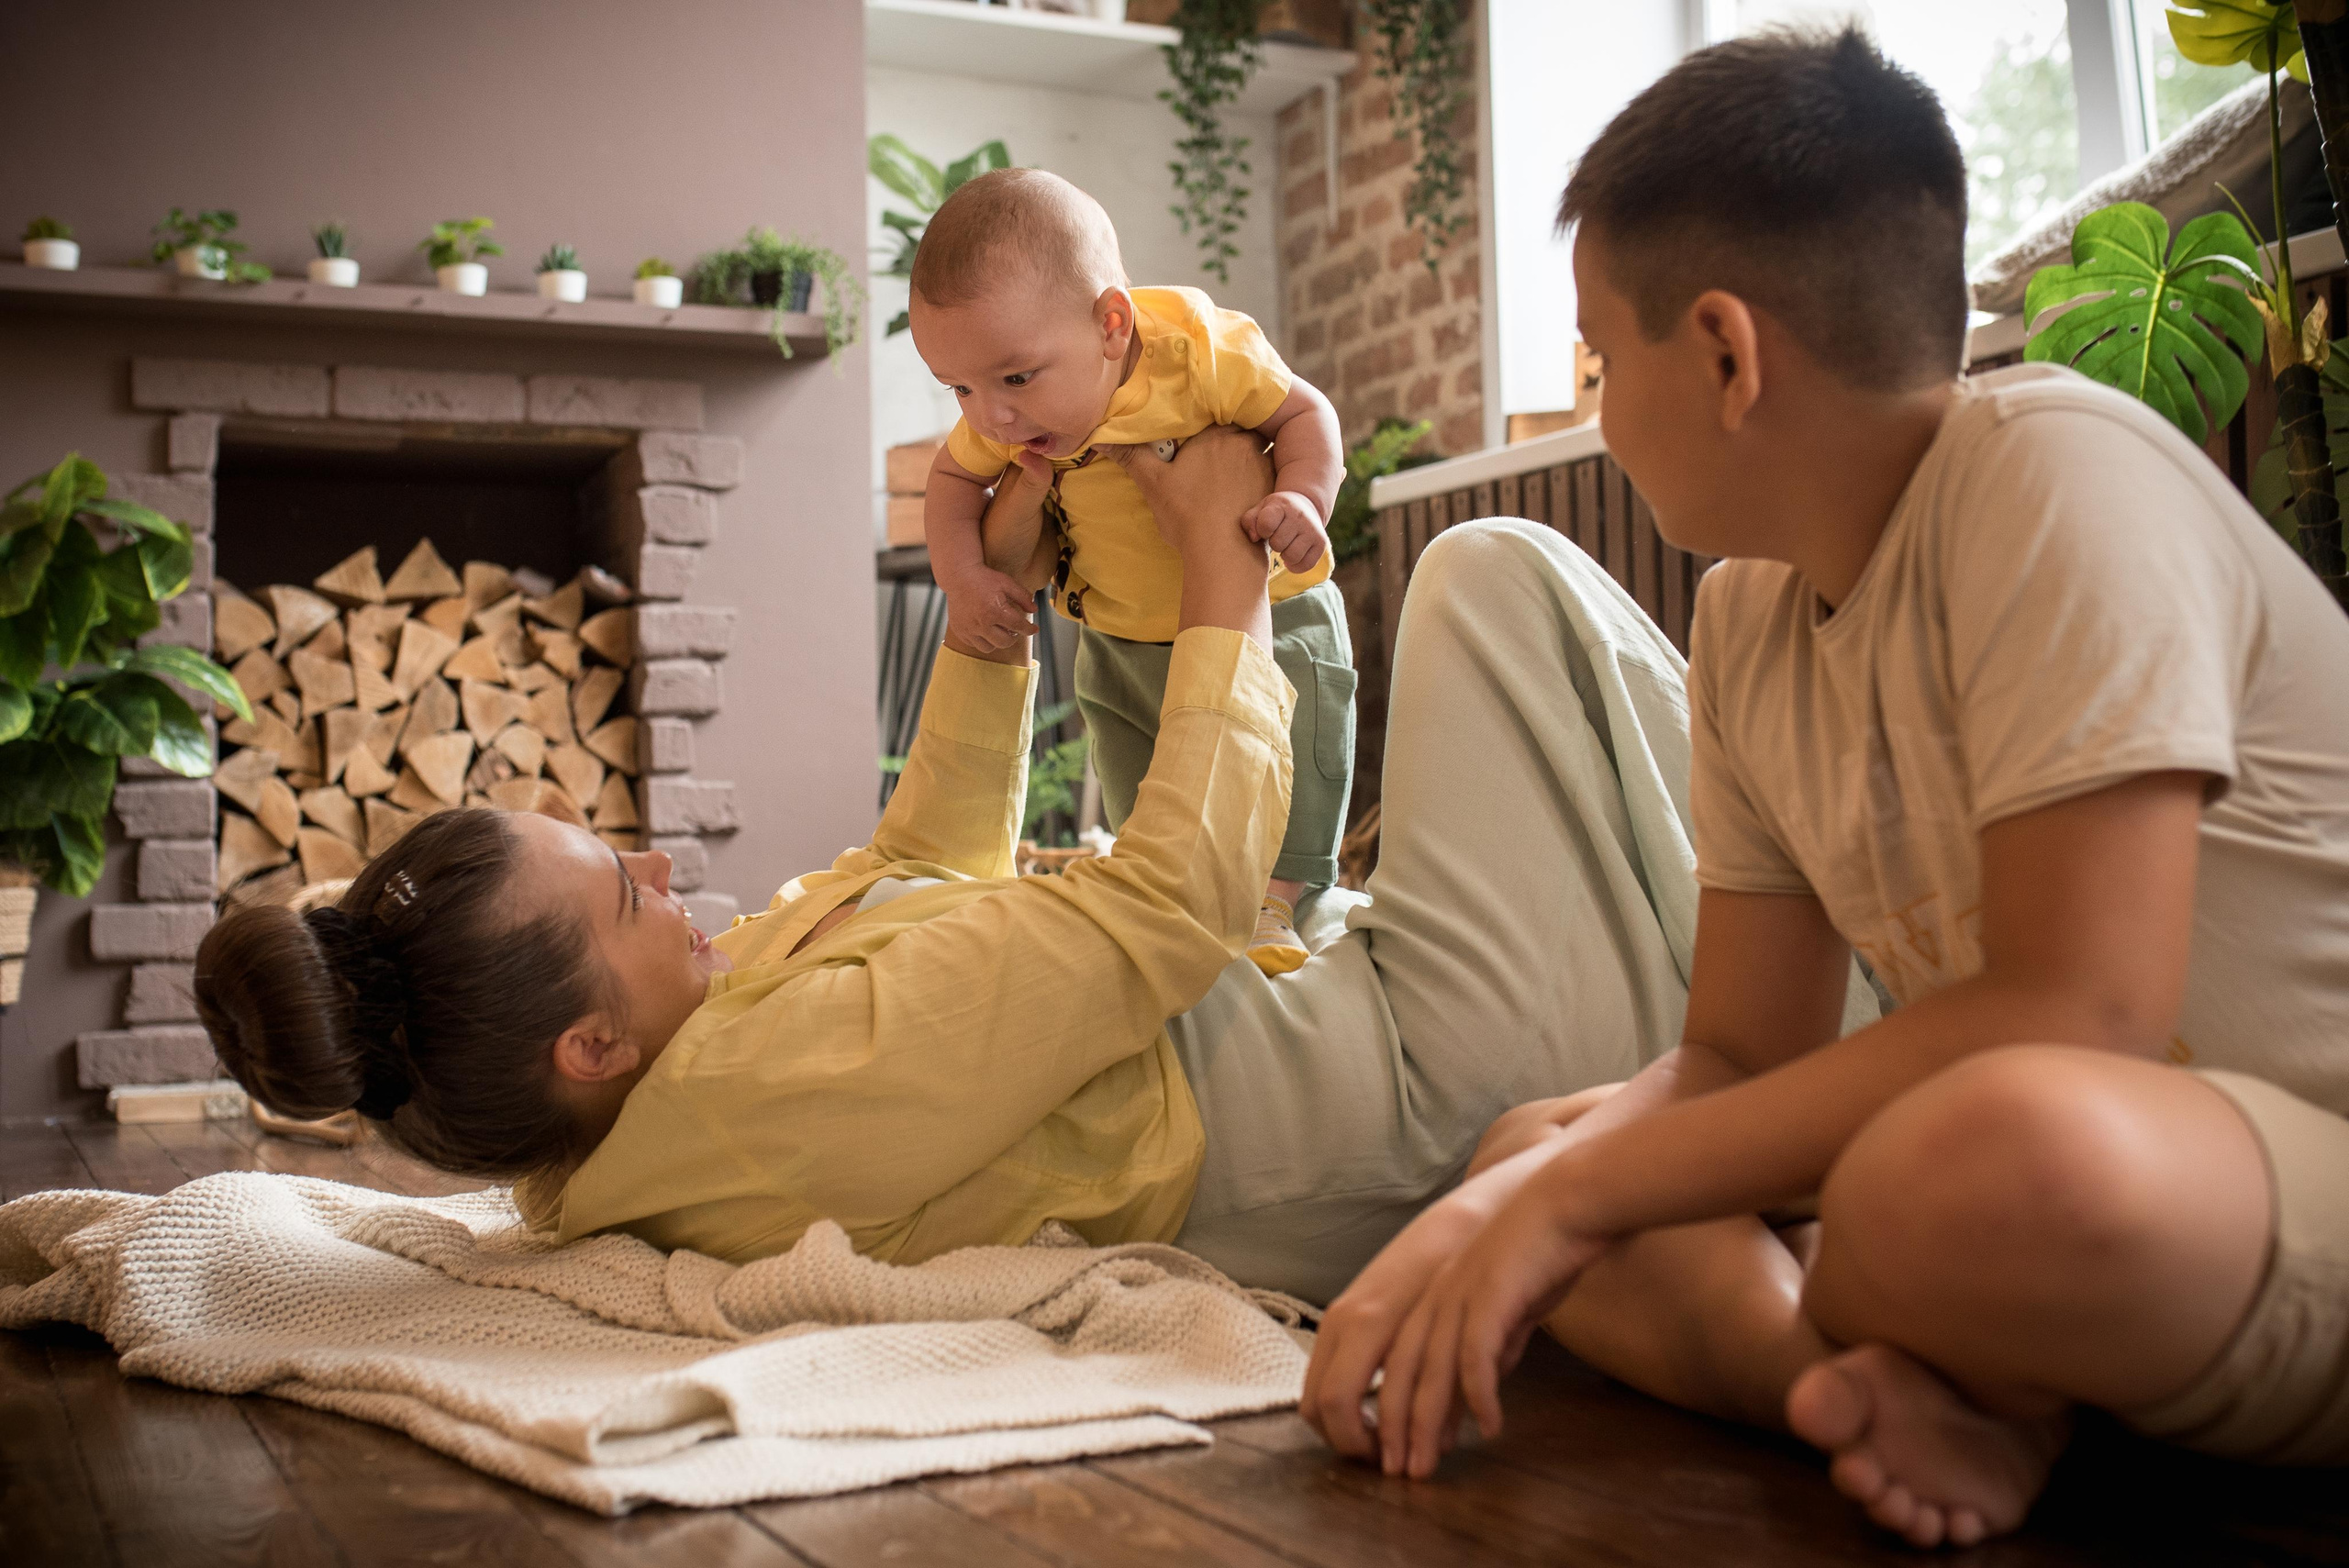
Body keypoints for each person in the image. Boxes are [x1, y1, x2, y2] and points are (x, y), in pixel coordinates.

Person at [1299, 26, 2349, 1551]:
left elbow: (2080, 1009)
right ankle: (1872, 1387)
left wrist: (1578, 1206)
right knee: (1534, 1141)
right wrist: (1524, 1196)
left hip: (2259, 1162)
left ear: (1725, 352)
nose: (1593, 400)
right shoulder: (1744, 620)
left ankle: (1923, 1349)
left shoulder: (2056, 475)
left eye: (1600, 355)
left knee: (1963, 1159)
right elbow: (1732, 1050)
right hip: (2055, 1191)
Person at [194, 427, 1766, 1308]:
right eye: (626, 889)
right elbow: (1167, 908)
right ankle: (1824, 959)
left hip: (1341, 1011)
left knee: (1385, 672)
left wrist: (993, 609)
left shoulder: (665, 1080)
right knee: (1499, 571)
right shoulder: (772, 1088)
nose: (667, 867)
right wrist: (1219, 588)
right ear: (588, 1043)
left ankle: (1762, 931)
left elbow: (912, 856)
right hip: (1410, 1079)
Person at [910, 167, 1350, 973]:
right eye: (958, 388)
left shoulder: (1197, 351)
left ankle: (1275, 899)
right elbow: (950, 483)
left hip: (1270, 620)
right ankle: (1160, 884)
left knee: (1295, 765)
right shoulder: (1005, 419)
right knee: (1139, 781)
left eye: (1013, 377)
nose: (989, 416)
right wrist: (964, 575)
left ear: (1112, 323)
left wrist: (1304, 497)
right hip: (1118, 637)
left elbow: (1303, 412)